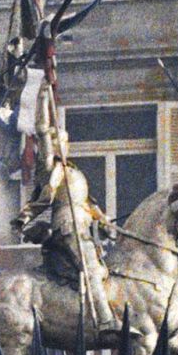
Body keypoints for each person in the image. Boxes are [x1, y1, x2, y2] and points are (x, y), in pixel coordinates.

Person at [17, 110, 117, 333]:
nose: (63, 146)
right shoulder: (55, 170)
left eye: (64, 142)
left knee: (102, 270)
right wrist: (25, 216)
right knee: (90, 268)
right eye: (57, 143)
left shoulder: (74, 171)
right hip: (67, 226)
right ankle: (106, 321)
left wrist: (104, 221)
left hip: (82, 225)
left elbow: (88, 204)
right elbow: (46, 196)